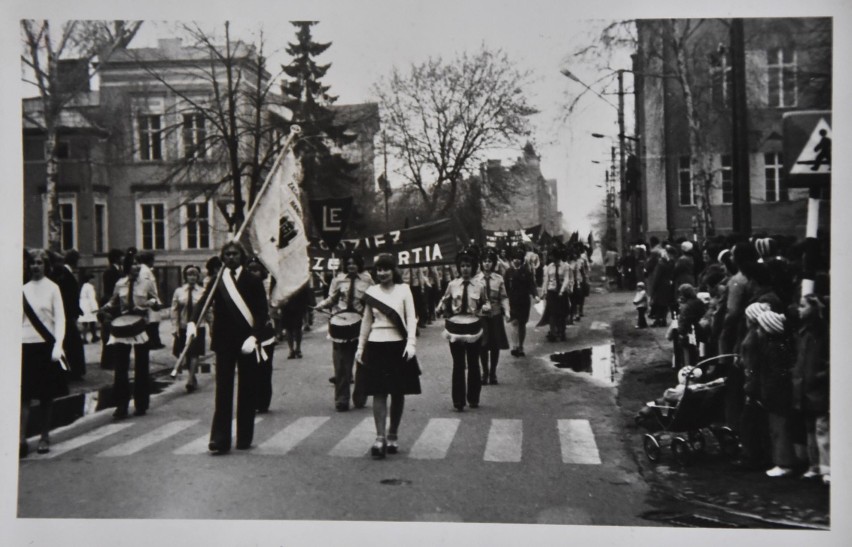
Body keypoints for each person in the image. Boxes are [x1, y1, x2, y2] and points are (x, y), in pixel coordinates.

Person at [188, 241, 268, 454]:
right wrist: (191, 323)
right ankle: (220, 438)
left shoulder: (253, 280)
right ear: (223, 258)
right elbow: (202, 303)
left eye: (234, 254)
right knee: (223, 390)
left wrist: (254, 337)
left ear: (241, 257)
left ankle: (244, 437)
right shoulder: (217, 281)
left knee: (247, 390)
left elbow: (261, 312)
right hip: (223, 342)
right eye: (227, 255)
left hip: (246, 343)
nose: (231, 258)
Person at [355, 253, 420, 459]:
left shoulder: (404, 290)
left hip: (398, 345)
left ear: (394, 270)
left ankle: (393, 433)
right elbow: (366, 321)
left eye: (386, 269)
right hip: (376, 345)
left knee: (397, 392)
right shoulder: (372, 292)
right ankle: (379, 437)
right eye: (379, 269)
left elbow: (411, 318)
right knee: (378, 392)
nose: (382, 273)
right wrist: (360, 347)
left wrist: (411, 343)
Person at [100, 254, 161, 419]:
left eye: (138, 263)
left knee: (142, 366)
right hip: (122, 327)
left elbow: (157, 302)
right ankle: (121, 405)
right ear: (127, 267)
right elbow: (113, 302)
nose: (137, 266)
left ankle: (141, 403)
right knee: (121, 367)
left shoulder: (146, 283)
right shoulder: (120, 284)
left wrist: (149, 304)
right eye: (133, 264)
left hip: (140, 327)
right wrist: (104, 308)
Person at [21, 249, 69, 457]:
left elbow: (60, 319)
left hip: (45, 346)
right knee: (23, 396)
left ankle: (44, 436)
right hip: (25, 346)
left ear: (45, 265)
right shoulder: (22, 290)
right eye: (32, 263)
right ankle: (21, 439)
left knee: (45, 395)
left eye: (39, 262)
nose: (35, 266)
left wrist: (58, 344)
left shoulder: (53, 289)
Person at [314, 251, 374, 411]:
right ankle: (341, 399)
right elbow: (332, 298)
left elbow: (375, 300)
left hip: (361, 325)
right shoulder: (338, 279)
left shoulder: (368, 280)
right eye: (348, 263)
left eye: (354, 263)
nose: (351, 266)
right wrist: (322, 305)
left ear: (359, 264)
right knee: (341, 365)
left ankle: (360, 397)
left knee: (362, 363)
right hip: (340, 325)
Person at [440, 249, 486, 411]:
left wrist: (484, 309)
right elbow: (444, 300)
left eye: (468, 265)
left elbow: (484, 303)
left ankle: (473, 398)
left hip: (473, 326)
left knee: (473, 362)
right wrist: (441, 309)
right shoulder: (452, 285)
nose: (465, 269)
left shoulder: (480, 286)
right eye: (462, 266)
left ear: (473, 267)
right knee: (458, 364)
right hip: (456, 327)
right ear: (458, 268)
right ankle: (458, 400)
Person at [792, 294, 830, 484]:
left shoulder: (821, 332)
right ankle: (815, 465)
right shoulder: (804, 332)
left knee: (821, 428)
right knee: (811, 429)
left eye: (802, 306)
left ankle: (826, 468)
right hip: (806, 387)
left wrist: (820, 376)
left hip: (816, 387)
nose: (799, 309)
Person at [170, 265, 210, 394]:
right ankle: (192, 375)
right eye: (189, 275)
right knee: (183, 353)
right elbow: (174, 310)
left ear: (198, 277)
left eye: (194, 275)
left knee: (194, 353)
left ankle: (189, 381)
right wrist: (174, 326)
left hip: (199, 326)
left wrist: (212, 324)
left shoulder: (203, 291)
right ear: (185, 277)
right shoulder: (179, 291)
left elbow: (207, 310)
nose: (192, 277)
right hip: (183, 326)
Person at [474, 249, 510, 385]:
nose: (487, 264)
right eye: (484, 261)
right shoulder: (476, 280)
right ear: (481, 263)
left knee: (495, 345)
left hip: (495, 315)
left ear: (494, 263)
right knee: (483, 345)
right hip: (481, 316)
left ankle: (493, 372)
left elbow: (504, 297)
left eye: (489, 261)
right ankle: (485, 372)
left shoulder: (499, 279)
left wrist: (507, 312)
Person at [245, 257, 277, 413]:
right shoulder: (243, 288)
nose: (253, 273)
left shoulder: (270, 287)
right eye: (250, 269)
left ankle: (263, 401)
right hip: (248, 334)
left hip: (265, 334)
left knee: (265, 368)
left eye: (256, 269)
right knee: (251, 370)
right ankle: (251, 400)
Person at [50, 249, 86, 379]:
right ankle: (74, 372)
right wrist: (73, 311)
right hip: (66, 314)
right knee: (73, 343)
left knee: (71, 343)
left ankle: (71, 371)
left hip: (68, 313)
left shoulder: (66, 272)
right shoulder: (64, 273)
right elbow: (67, 296)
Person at [505, 247, 540, 356]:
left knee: (522, 324)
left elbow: (531, 285)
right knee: (514, 323)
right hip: (513, 301)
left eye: (518, 258)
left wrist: (535, 295)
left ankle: (521, 346)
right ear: (512, 259)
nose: (516, 260)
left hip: (524, 301)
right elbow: (505, 288)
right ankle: (514, 346)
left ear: (522, 259)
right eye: (514, 258)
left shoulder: (526, 271)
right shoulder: (508, 272)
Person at [539, 245, 571, 342]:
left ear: (556, 256)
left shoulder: (566, 266)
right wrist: (543, 292)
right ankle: (553, 333)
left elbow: (566, 279)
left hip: (561, 292)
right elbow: (546, 280)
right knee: (552, 313)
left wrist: (562, 290)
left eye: (552, 255)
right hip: (552, 292)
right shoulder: (549, 267)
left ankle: (562, 332)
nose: (550, 257)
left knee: (562, 313)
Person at [99, 249, 124, 370]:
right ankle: (107, 361)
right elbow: (110, 289)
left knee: (113, 332)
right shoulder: (110, 271)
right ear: (116, 258)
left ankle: (112, 360)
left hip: (114, 302)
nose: (122, 258)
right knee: (109, 332)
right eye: (121, 256)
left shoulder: (117, 269)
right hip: (111, 302)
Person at [137, 252, 164, 350]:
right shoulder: (144, 271)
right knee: (151, 323)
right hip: (149, 299)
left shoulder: (147, 270)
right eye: (152, 260)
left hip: (152, 297)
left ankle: (156, 342)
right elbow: (146, 286)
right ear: (149, 260)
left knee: (154, 322)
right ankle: (152, 343)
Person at [78, 272, 100, 343]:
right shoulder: (90, 287)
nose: (93, 280)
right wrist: (95, 308)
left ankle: (86, 337)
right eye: (92, 279)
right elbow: (92, 298)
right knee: (91, 322)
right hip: (88, 307)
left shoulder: (84, 286)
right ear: (89, 279)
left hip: (83, 306)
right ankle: (93, 337)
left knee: (86, 323)